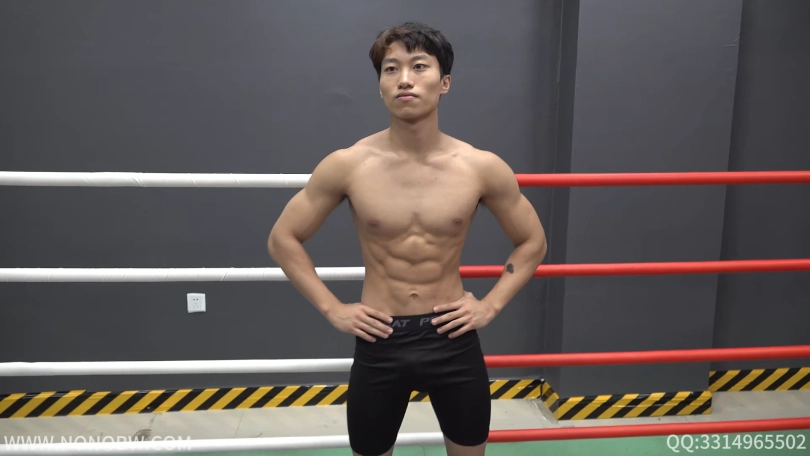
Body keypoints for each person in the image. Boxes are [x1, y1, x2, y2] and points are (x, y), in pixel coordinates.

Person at [267, 22, 547, 456]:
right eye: (391, 68)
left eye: (419, 66)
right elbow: (283, 238)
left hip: (451, 338)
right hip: (380, 338)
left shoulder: (480, 167)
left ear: (444, 82)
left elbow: (532, 241)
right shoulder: (348, 165)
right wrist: (333, 309)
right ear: (380, 85)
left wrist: (490, 305)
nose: (404, 79)